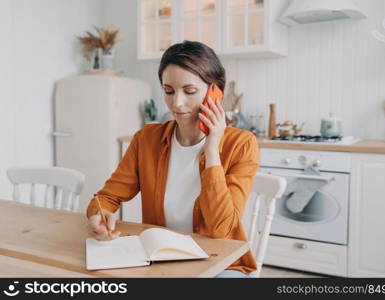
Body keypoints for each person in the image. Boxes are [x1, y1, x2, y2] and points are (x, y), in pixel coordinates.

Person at [85, 40, 259, 278]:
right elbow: (107, 197)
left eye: (189, 91)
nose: (177, 103)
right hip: (162, 260)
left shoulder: (241, 144)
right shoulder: (146, 138)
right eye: (168, 91)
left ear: (214, 92)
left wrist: (211, 149)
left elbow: (221, 230)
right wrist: (100, 214)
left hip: (220, 264)